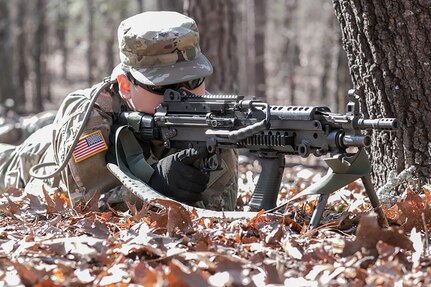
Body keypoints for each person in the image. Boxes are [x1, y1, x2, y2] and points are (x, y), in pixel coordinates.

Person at [0, 11, 238, 211]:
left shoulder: (212, 118)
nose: (184, 94)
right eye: (163, 87)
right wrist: (156, 186)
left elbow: (219, 208)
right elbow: (86, 204)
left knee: (35, 124)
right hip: (36, 158)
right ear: (125, 85)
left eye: (193, 80)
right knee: (14, 140)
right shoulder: (88, 115)